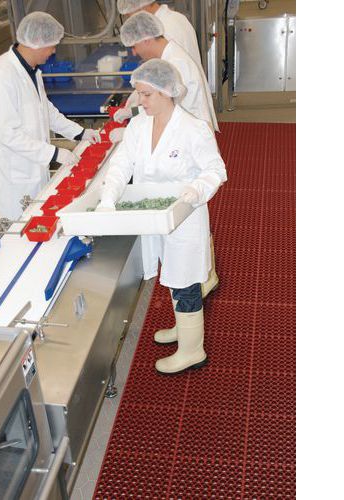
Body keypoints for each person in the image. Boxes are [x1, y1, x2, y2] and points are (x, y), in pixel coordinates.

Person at [97, 59, 227, 374]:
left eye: (146, 95)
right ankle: (183, 329)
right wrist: (108, 198)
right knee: (170, 273)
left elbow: (216, 170)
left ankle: (193, 350)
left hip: (184, 218)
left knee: (185, 280)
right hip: (154, 217)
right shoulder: (139, 125)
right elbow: (121, 164)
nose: (140, 101)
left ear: (167, 92)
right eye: (139, 94)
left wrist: (196, 191)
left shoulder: (193, 129)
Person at [114, 10, 221, 297]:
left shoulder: (175, 67)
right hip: (175, 157)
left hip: (187, 151)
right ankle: (200, 282)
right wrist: (135, 119)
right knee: (178, 265)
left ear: (146, 39)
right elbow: (156, 101)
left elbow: (170, 111)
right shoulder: (165, 62)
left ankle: (203, 282)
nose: (134, 52)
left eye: (134, 46)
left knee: (188, 257)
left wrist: (135, 119)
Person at [0, 12, 101, 220]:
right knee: (20, 226)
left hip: (32, 164)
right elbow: (7, 134)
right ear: (38, 42)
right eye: (52, 46)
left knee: (38, 217)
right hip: (14, 174)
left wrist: (80, 133)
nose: (53, 51)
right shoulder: (2, 77)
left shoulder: (31, 70)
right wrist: (55, 154)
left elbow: (45, 110)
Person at [117, 0, 202, 67]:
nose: (130, 20)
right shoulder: (177, 17)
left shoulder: (163, 29)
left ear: (140, 7)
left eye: (128, 16)